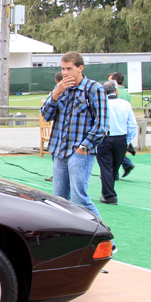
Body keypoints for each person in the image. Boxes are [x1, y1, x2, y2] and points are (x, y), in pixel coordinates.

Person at [40, 51, 107, 218]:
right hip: (59, 150)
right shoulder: (60, 88)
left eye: (69, 68)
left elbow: (102, 124)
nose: (65, 73)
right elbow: (46, 115)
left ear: (80, 68)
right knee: (59, 200)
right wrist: (55, 95)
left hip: (79, 151)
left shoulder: (94, 89)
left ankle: (104, 237)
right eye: (63, 69)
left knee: (80, 199)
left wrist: (84, 147)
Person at [96, 81, 137, 205]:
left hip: (104, 138)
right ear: (116, 91)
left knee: (105, 167)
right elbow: (132, 125)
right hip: (121, 139)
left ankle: (109, 195)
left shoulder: (101, 104)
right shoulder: (125, 104)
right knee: (115, 167)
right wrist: (127, 140)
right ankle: (109, 192)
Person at [108, 71, 135, 177]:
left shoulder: (116, 94)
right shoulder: (126, 93)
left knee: (112, 152)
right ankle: (122, 167)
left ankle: (120, 169)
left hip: (115, 127)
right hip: (123, 126)